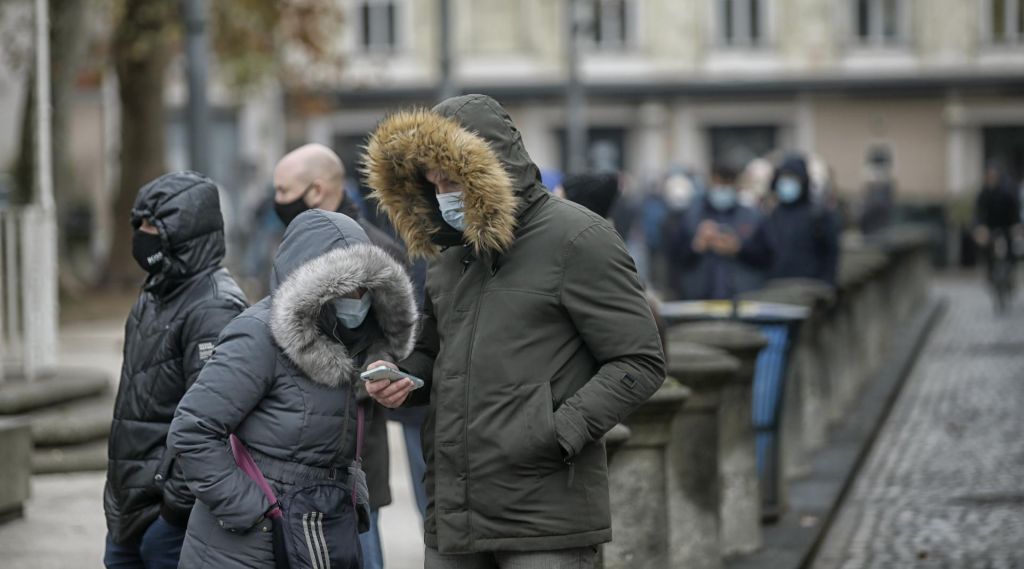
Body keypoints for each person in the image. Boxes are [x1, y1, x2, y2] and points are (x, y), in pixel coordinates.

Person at [361, 94, 666, 568]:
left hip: (544, 516)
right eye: (433, 182)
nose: (442, 193)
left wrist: (557, 431)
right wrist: (401, 374)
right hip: (454, 516)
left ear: (486, 168)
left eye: (451, 178)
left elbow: (640, 360)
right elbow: (432, 352)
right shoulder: (449, 258)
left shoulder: (578, 238)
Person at [168, 210, 418, 568]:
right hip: (246, 548)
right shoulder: (257, 335)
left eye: (365, 286)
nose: (357, 296)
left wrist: (352, 490)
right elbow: (193, 430)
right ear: (314, 284)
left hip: (318, 531)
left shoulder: (357, 342)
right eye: (345, 286)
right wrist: (253, 510)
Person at [272, 142, 423, 567]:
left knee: (361, 552)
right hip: (296, 448)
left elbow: (398, 339)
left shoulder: (378, 254)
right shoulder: (292, 245)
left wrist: (377, 368)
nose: (277, 201)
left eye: (284, 191)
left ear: (316, 190)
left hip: (356, 450)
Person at [103, 171, 248, 569]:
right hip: (129, 511)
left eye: (152, 223)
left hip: (166, 520)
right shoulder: (155, 293)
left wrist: (174, 512)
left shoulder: (214, 307)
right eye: (139, 224)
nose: (142, 233)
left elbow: (216, 421)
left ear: (183, 231)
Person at [668, 164, 774, 300]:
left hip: (743, 299)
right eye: (718, 183)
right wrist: (697, 245)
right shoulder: (690, 216)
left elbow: (767, 257)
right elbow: (675, 258)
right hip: (699, 299)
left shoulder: (753, 216)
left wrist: (738, 249)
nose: (722, 189)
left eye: (727, 184)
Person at [764, 154, 840, 285]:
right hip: (777, 289)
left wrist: (826, 287)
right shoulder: (775, 214)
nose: (787, 182)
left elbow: (831, 255)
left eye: (792, 177)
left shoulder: (819, 214)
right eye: (784, 177)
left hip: (810, 290)